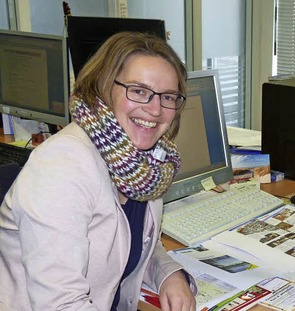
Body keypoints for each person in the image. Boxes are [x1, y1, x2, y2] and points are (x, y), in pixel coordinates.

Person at [0, 32, 197, 310]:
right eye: (139, 91)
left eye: (167, 97)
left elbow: (138, 242)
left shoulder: (148, 164)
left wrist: (169, 275)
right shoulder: (60, 166)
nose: (155, 110)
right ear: (102, 89)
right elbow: (61, 304)